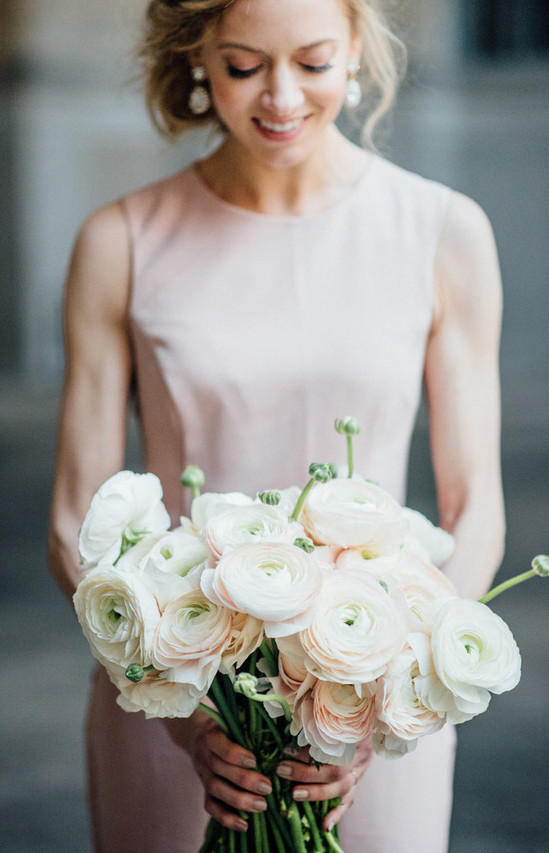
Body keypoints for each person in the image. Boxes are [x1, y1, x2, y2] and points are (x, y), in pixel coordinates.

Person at [48, 0, 505, 850]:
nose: (282, 98)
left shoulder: (446, 233)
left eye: (315, 62)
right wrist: (194, 718)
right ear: (195, 60)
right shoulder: (120, 242)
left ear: (360, 47)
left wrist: (379, 699)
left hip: (374, 711)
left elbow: (475, 507)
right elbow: (76, 522)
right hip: (169, 697)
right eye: (244, 66)